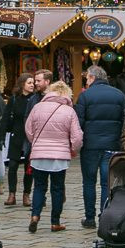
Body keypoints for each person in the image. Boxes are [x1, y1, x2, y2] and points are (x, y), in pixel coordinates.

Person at [24, 80, 83, 233]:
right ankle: (55, 222)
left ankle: (35, 216)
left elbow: (28, 129)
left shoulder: (37, 107)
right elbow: (77, 136)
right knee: (57, 189)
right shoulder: (69, 111)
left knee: (39, 187)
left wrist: (35, 143)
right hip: (59, 156)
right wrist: (73, 149)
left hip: (39, 154)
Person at [75, 65, 125, 228]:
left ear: (92, 78)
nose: (86, 82)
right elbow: (124, 121)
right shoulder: (119, 95)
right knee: (107, 182)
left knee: (89, 182)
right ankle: (105, 215)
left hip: (90, 145)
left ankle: (89, 218)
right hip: (112, 144)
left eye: (87, 78)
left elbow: (79, 122)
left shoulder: (85, 96)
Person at [2, 72, 34, 207]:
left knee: (29, 167)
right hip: (17, 134)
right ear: (22, 84)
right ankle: (12, 194)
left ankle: (26, 194)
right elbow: (5, 118)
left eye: (33, 83)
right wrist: (1, 136)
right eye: (29, 83)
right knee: (13, 165)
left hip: (30, 137)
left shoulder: (35, 99)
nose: (32, 85)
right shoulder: (14, 99)